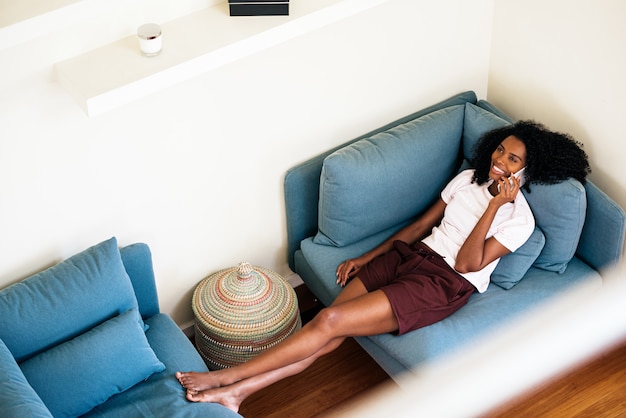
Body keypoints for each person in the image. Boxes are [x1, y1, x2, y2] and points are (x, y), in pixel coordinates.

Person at [176, 120, 590, 412]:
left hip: (444, 284)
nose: (501, 160)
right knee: (331, 330)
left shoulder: (519, 219)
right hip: (411, 258)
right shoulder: (467, 180)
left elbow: (467, 261)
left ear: (527, 170)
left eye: (513, 160)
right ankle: (239, 395)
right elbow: (420, 226)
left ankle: (224, 379)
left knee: (330, 320)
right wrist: (366, 257)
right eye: (501, 149)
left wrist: (496, 203)